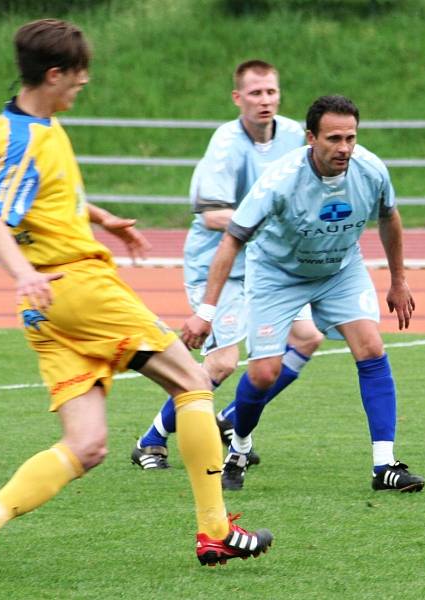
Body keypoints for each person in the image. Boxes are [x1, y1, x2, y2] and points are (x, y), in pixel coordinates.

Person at [0, 19, 272, 581]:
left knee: (87, 444)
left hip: (49, 312)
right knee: (193, 380)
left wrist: (101, 219)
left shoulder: (37, 124)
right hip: (76, 288)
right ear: (53, 74)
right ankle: (215, 531)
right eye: (77, 75)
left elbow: (48, 198)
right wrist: (22, 271)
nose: (84, 82)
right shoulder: (24, 137)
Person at [182, 95, 425, 493]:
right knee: (263, 374)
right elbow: (231, 240)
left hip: (339, 269)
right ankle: (239, 447)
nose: (344, 148)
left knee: (371, 347)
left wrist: (398, 280)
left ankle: (385, 465)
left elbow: (389, 217)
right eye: (334, 138)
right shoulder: (280, 180)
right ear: (311, 138)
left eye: (350, 138)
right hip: (277, 275)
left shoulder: (370, 170)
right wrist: (206, 311)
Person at [131, 60, 324, 475]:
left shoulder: (294, 135)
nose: (265, 100)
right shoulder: (225, 143)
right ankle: (151, 438)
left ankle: (234, 416)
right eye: (255, 93)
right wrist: (273, 220)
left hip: (268, 264)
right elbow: (212, 214)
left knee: (307, 338)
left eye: (271, 92)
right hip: (219, 266)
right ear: (238, 98)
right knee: (220, 363)